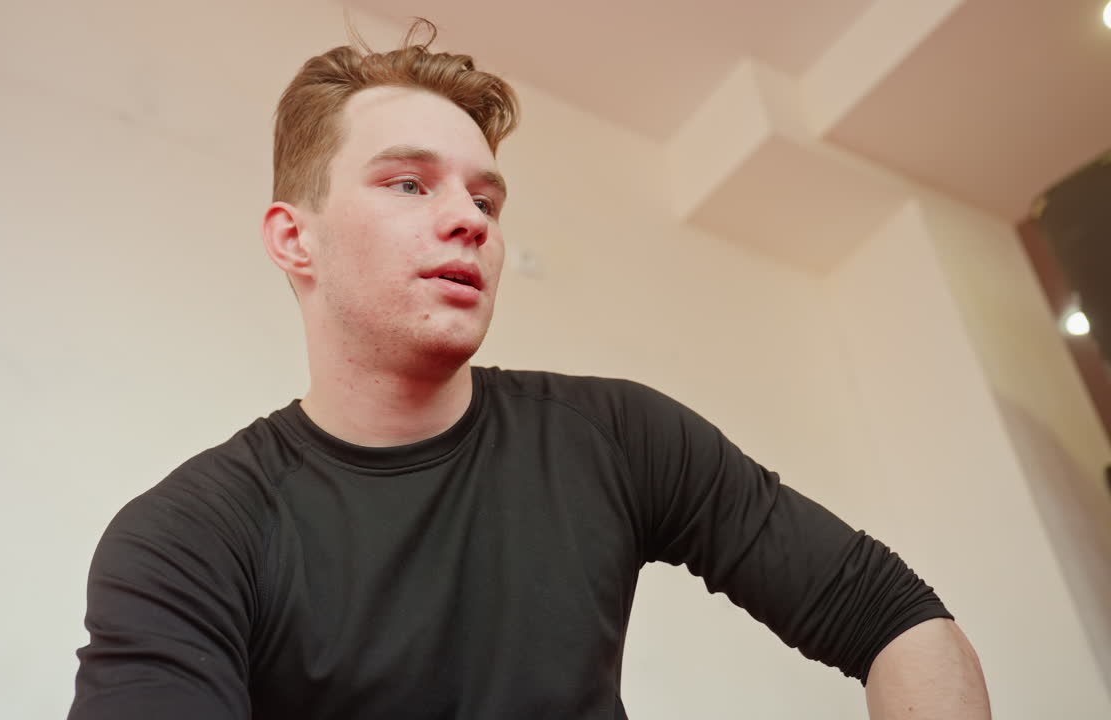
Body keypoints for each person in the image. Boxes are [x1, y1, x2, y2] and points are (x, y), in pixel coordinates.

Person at [69, 20, 990, 719]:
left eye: (485, 195)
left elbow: (897, 616)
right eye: (407, 183)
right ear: (294, 238)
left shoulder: (619, 437)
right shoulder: (187, 539)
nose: (470, 218)